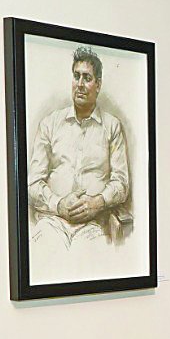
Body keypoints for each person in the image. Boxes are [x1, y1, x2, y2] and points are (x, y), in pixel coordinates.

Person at [27, 46, 131, 272]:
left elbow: (121, 183)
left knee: (86, 267)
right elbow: (34, 183)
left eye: (87, 78)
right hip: (52, 222)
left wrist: (98, 202)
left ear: (98, 84)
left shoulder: (111, 126)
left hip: (94, 225)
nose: (80, 84)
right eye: (76, 76)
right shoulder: (50, 124)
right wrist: (59, 204)